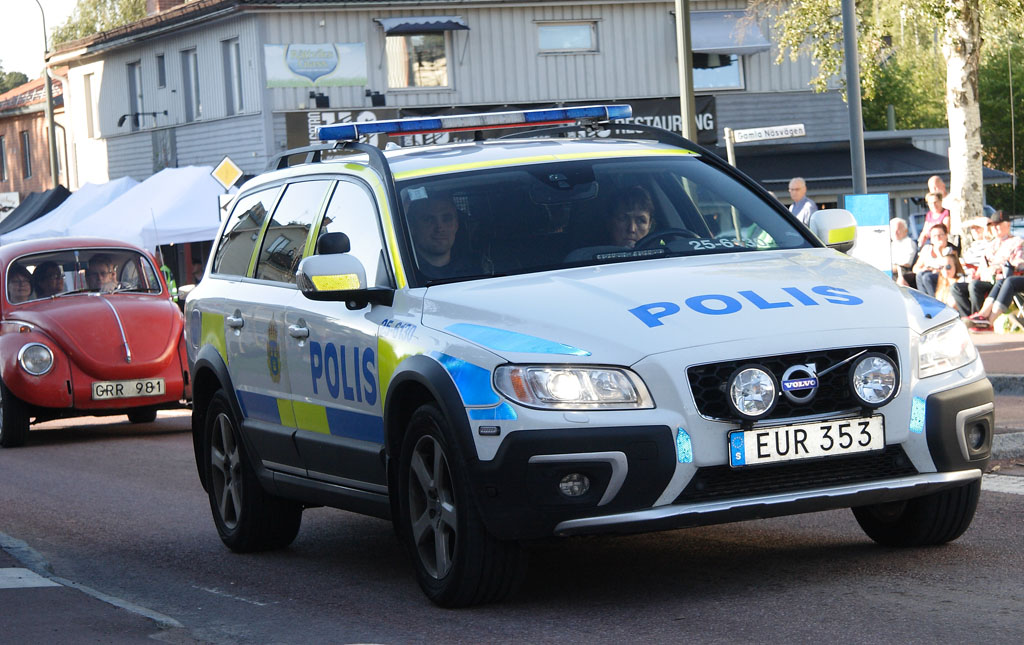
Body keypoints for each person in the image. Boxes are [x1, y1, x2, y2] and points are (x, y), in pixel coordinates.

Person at [964, 210, 1024, 328]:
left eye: (998, 225)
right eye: (993, 225)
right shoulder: (991, 245)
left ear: (1008, 225)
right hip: (991, 280)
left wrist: (1000, 266)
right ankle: (979, 317)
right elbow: (982, 265)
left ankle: (987, 321)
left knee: (1005, 281)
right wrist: (975, 273)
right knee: (964, 286)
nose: (995, 228)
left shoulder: (1017, 242)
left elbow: (1019, 262)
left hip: (1004, 278)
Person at [407, 197, 475, 278]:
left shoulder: (476, 269)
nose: (440, 228)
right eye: (429, 220)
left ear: (456, 225)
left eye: (446, 219)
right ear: (412, 228)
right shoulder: (404, 271)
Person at [912, 223, 958, 300]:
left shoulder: (950, 250)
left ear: (946, 236)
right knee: (920, 275)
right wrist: (924, 269)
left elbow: (947, 266)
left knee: (927, 277)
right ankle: (924, 300)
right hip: (928, 273)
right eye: (934, 236)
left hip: (943, 274)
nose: (937, 238)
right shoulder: (927, 249)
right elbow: (915, 268)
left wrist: (938, 251)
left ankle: (935, 301)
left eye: (940, 235)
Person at [890, 218, 917, 288]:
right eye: (892, 230)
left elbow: (906, 263)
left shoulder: (909, 243)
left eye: (898, 230)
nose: (895, 232)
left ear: (906, 231)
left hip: (903, 273)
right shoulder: (891, 244)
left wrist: (891, 266)